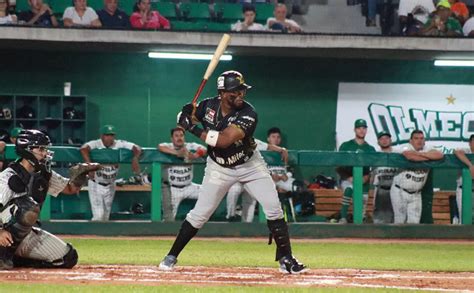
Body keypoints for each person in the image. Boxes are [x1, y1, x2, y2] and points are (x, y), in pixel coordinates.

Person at [159, 70, 306, 274]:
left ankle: (286, 259)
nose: (240, 95)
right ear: (221, 93)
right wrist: (185, 114)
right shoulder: (208, 106)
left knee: (273, 207)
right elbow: (189, 115)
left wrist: (191, 128)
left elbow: (223, 140)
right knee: (199, 215)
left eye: (242, 90)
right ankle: (171, 256)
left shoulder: (248, 113)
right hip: (219, 168)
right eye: (234, 91)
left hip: (249, 165)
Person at [0, 129, 99, 270]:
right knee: (27, 207)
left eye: (45, 149)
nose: (45, 153)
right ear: (27, 150)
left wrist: (80, 175)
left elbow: (70, 189)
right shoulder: (8, 177)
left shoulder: (44, 174)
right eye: (41, 149)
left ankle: (15, 260)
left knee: (68, 258)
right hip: (3, 232)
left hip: (21, 235)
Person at [80, 125, 142, 221]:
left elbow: (137, 148)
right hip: (96, 183)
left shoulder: (119, 144)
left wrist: (135, 158)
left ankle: (99, 236)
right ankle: (93, 233)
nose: (110, 138)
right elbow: (83, 148)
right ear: (102, 136)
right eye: (107, 135)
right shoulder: (96, 143)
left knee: (105, 217)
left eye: (112, 135)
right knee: (98, 216)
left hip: (110, 185)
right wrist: (89, 165)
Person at [226, 127, 288, 222]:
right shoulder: (228, 141)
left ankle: (247, 224)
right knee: (234, 190)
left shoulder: (252, 141)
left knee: (251, 200)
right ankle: (230, 216)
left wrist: (282, 149)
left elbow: (268, 146)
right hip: (236, 177)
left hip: (250, 177)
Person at [390, 130, 444, 224]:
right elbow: (410, 156)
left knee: (414, 224)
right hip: (400, 191)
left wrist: (419, 154)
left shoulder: (427, 148)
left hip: (416, 194)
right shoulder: (406, 146)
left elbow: (440, 155)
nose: (419, 141)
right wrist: (428, 157)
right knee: (399, 221)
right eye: (416, 138)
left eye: (421, 138)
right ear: (410, 141)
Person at [158, 127, 207, 221]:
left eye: (181, 135)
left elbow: (204, 149)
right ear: (172, 138)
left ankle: (197, 221)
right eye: (176, 136)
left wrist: (195, 155)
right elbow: (160, 146)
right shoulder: (168, 146)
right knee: (168, 220)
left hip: (189, 187)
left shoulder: (190, 146)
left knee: (209, 194)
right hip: (173, 189)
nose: (179, 138)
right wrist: (176, 153)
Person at [336, 119, 376, 224]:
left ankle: (360, 223)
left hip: (364, 180)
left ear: (366, 130)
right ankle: (343, 217)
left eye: (363, 128)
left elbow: (373, 167)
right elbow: (338, 165)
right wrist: (349, 177)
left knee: (362, 207)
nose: (361, 130)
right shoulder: (346, 145)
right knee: (349, 189)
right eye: (359, 128)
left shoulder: (370, 149)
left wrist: (367, 177)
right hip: (348, 178)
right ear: (355, 129)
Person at [371, 131, 397, 224]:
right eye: (382, 138)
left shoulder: (398, 153)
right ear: (378, 142)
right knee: (379, 217)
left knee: (396, 216)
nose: (384, 140)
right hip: (380, 189)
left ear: (391, 140)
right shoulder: (375, 155)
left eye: (387, 138)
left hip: (395, 189)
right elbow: (372, 173)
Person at [453, 134, 474, 224]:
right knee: (463, 218)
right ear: (469, 143)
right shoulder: (466, 151)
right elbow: (456, 151)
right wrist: (470, 165)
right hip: (463, 190)